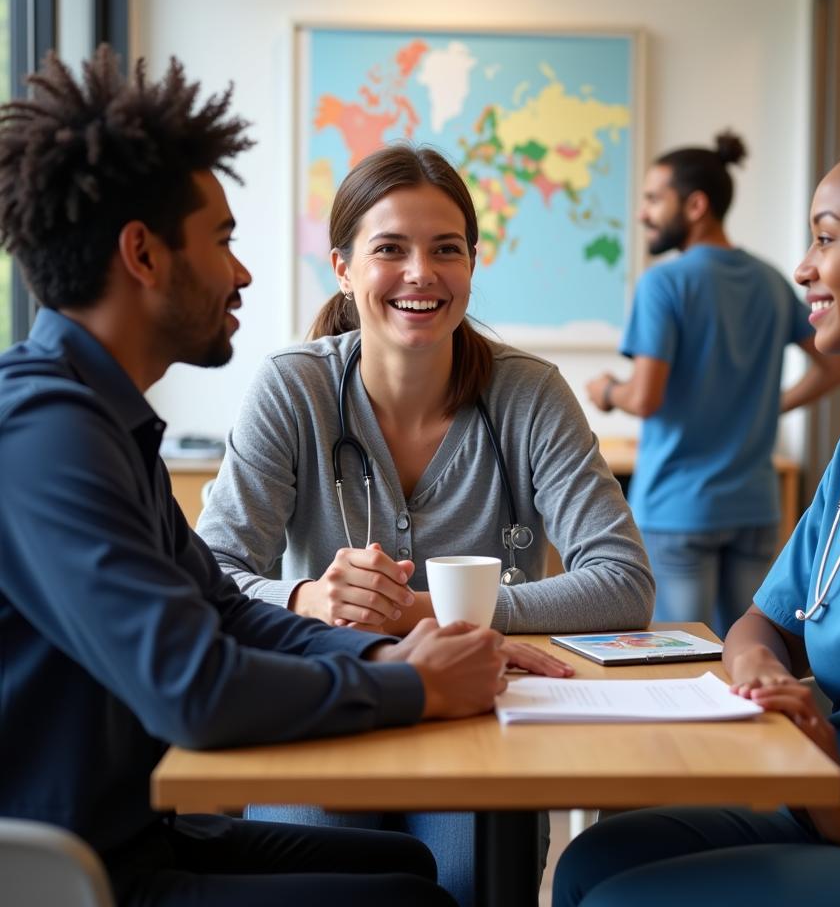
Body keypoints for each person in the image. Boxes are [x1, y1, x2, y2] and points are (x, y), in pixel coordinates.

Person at [0, 46, 521, 907]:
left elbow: (230, 611)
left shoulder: (102, 423)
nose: (241, 273)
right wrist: (413, 684)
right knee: (414, 903)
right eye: (224, 241)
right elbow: (195, 690)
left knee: (411, 873)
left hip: (137, 832)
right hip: (69, 869)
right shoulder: (42, 436)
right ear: (143, 255)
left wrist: (394, 648)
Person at [555, 116, 840, 907]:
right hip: (826, 797)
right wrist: (763, 672)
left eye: (826, 238)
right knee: (590, 863)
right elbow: (761, 622)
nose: (803, 267)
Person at [196, 143, 656, 905]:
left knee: (469, 884)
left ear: (473, 264)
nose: (421, 273)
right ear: (343, 267)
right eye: (390, 249)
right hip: (335, 704)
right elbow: (209, 572)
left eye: (447, 249)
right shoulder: (294, 388)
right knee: (318, 881)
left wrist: (425, 613)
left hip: (478, 722)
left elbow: (624, 582)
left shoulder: (529, 395)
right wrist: (308, 599)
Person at [586, 132, 840, 633]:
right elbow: (836, 368)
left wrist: (605, 392)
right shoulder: (773, 280)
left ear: (696, 204)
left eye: (652, 199)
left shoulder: (665, 283)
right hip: (754, 503)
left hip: (678, 509)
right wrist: (766, 407)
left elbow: (645, 396)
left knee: (678, 657)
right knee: (750, 645)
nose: (643, 213)